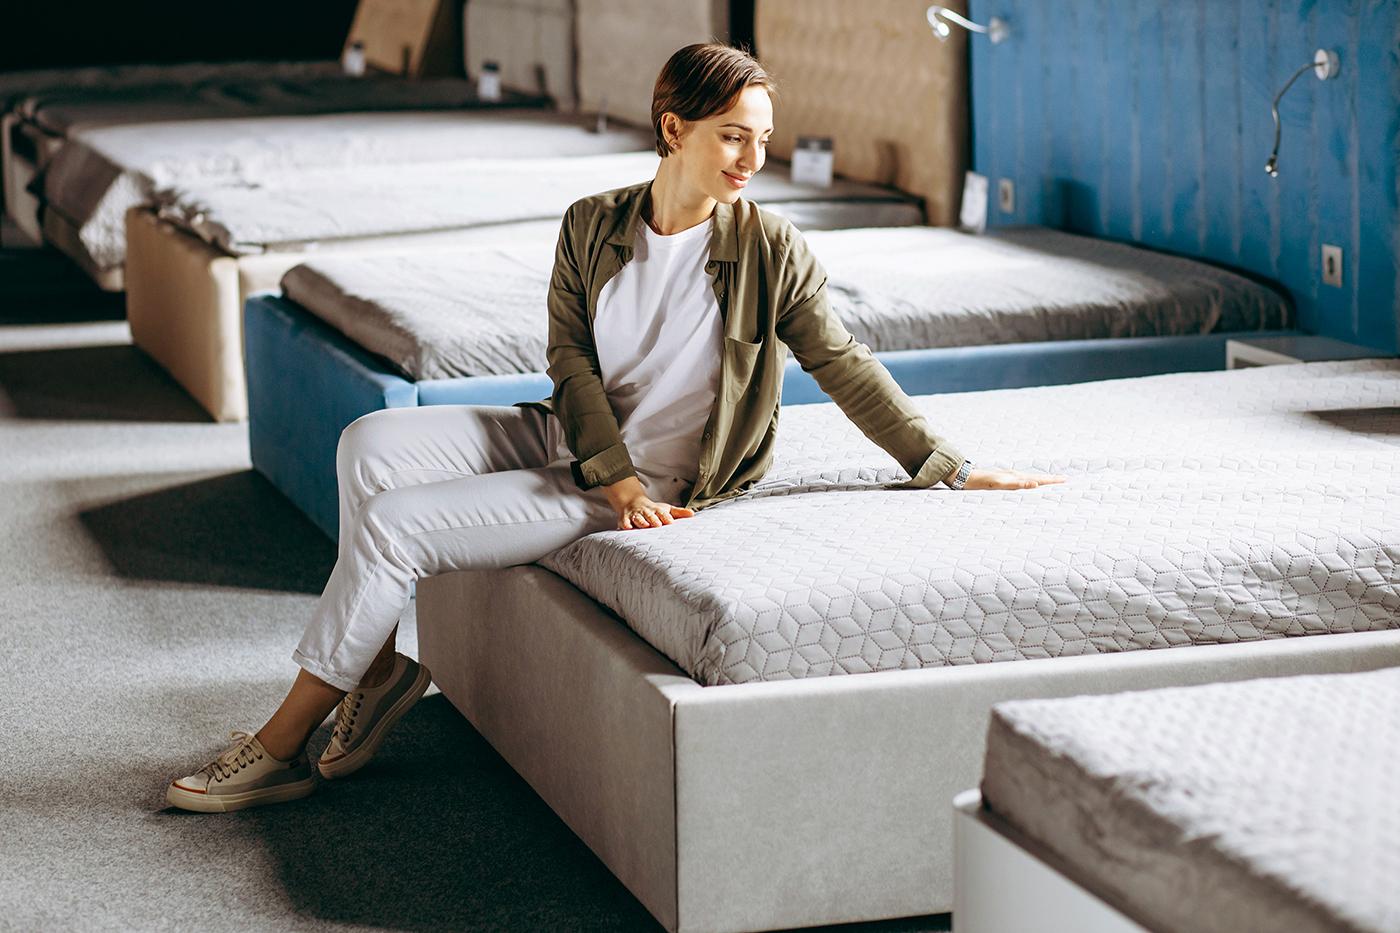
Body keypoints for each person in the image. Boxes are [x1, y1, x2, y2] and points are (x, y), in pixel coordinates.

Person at [165, 42, 1064, 813]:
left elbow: (844, 361)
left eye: (762, 139)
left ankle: (282, 743)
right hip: (575, 436)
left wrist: (944, 464)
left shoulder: (768, 247)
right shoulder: (591, 225)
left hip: (668, 478)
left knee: (399, 528)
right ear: (674, 129)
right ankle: (376, 671)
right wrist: (608, 471)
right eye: (733, 136)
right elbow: (571, 364)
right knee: (367, 440)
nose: (752, 158)